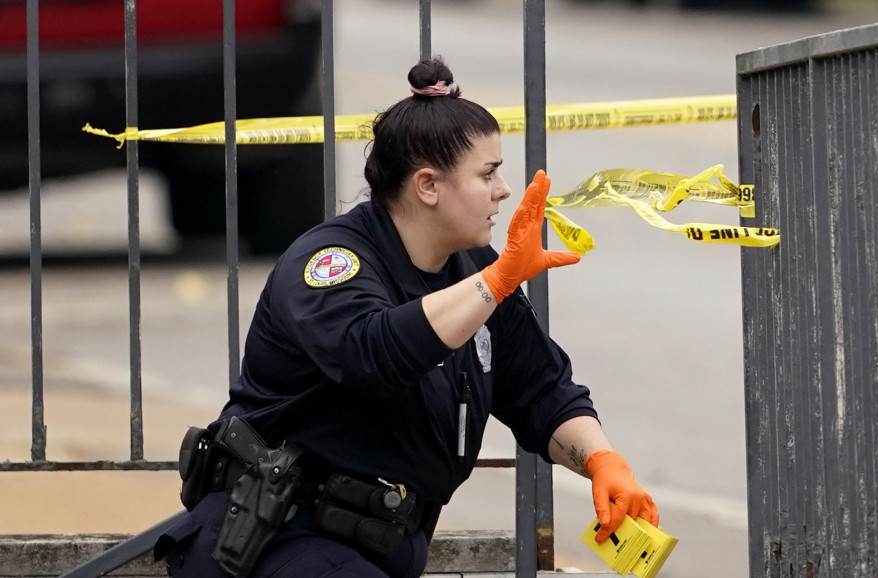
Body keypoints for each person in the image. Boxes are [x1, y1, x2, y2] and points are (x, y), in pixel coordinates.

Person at [155, 56, 659, 578]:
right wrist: (495, 283)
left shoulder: (476, 272)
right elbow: (372, 354)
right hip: (274, 540)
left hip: (375, 550)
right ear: (428, 186)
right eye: (487, 173)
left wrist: (601, 461)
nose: (503, 189)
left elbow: (540, 388)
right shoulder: (330, 263)